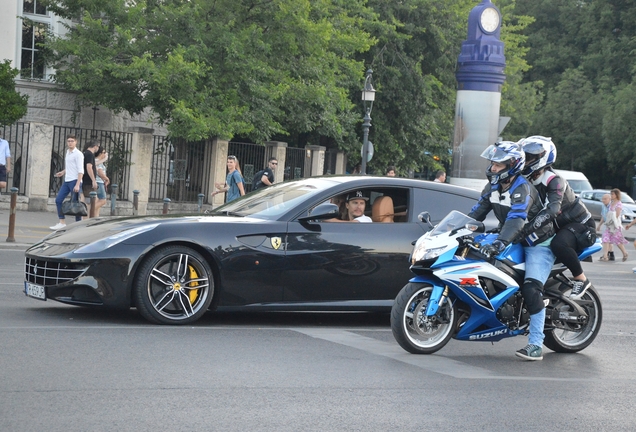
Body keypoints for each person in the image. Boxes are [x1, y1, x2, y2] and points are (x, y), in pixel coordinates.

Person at [468, 141, 551, 361]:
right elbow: (475, 214)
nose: (493, 168)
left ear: (512, 165)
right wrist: (451, 230)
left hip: (537, 242)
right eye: (492, 163)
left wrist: (500, 242)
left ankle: (535, 344)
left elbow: (516, 220)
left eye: (498, 164)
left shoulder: (522, 187)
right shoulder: (493, 186)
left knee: (532, 289)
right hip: (511, 236)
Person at [519, 136, 596, 300]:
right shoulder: (528, 179)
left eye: (530, 158)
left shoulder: (555, 181)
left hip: (579, 225)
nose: (525, 161)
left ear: (543, 158)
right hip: (556, 227)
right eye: (524, 157)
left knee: (558, 244)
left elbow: (552, 211)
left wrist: (526, 229)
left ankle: (580, 278)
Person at [50, 135, 84, 230]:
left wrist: (77, 184)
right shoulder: (68, 152)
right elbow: (70, 166)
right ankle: (62, 222)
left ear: (76, 142)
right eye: (68, 141)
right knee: (58, 200)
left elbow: (80, 170)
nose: (70, 143)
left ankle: (78, 224)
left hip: (75, 181)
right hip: (67, 180)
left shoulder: (78, 154)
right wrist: (63, 172)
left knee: (76, 203)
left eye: (72, 141)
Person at [599, 188, 629, 261]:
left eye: (612, 194)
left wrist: (611, 219)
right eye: (611, 194)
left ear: (616, 195)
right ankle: (605, 256)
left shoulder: (619, 203)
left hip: (615, 225)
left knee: (617, 241)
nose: (611, 195)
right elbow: (605, 214)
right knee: (605, 239)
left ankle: (625, 253)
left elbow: (617, 215)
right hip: (608, 225)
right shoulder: (611, 203)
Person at [93, 146, 110, 216]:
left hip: (99, 182)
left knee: (97, 201)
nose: (105, 154)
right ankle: (89, 211)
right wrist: (107, 179)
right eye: (104, 152)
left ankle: (95, 217)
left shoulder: (98, 161)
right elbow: (100, 173)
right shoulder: (97, 161)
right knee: (103, 200)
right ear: (100, 153)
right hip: (99, 182)